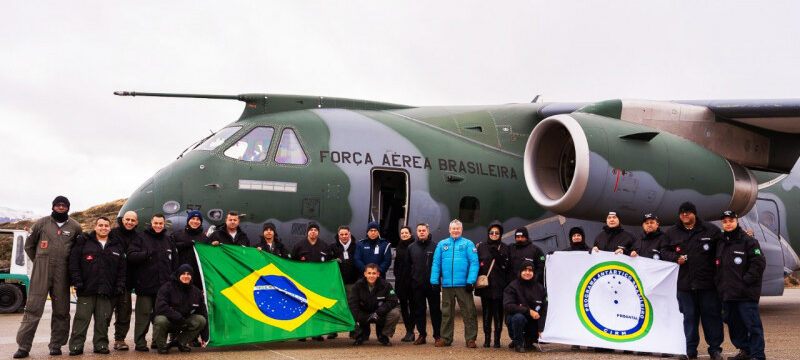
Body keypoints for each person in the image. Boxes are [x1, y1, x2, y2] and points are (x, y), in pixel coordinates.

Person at [14, 196, 82, 359]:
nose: (61, 207)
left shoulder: (75, 227)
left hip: (63, 272)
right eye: (58, 205)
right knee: (33, 308)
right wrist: (39, 261)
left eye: (64, 205)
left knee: (61, 310)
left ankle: (56, 345)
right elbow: (29, 246)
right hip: (42, 270)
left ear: (68, 208)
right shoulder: (41, 223)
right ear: (53, 207)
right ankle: (23, 347)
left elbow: (79, 250)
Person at [662, 202, 724, 360]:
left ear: (694, 214)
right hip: (685, 285)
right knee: (689, 318)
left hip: (707, 285)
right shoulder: (672, 233)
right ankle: (689, 350)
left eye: (688, 212)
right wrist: (675, 258)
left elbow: (724, 247)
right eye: (682, 213)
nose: (685, 215)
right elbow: (664, 250)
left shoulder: (711, 230)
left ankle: (715, 350)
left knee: (711, 317)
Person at [67, 216, 127, 355]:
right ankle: (76, 346)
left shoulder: (116, 246)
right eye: (100, 225)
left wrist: (119, 285)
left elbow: (122, 270)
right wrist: (77, 281)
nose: (103, 228)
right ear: (95, 227)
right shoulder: (84, 242)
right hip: (86, 289)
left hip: (106, 291)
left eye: (106, 225)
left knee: (103, 320)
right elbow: (73, 263)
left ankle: (101, 345)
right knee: (82, 319)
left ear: (110, 228)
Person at [716, 211, 766, 360]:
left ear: (737, 221)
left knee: (752, 325)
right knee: (734, 325)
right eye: (725, 221)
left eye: (731, 220)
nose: (728, 224)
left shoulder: (748, 241)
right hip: (728, 293)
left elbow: (759, 263)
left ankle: (758, 354)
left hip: (745, 294)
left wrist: (745, 281)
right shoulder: (720, 242)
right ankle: (745, 351)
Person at [127, 214, 178, 352]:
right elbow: (131, 255)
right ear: (151, 222)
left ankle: (157, 341)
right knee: (143, 316)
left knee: (160, 316)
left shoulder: (168, 239)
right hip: (145, 285)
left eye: (160, 223)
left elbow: (174, 262)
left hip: (163, 288)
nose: (158, 226)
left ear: (164, 224)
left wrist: (172, 281)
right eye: (156, 223)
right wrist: (145, 254)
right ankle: (140, 343)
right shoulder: (141, 238)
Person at [430, 219, 479, 348]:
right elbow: (436, 263)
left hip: (464, 285)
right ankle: (445, 338)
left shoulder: (468, 244)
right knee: (447, 313)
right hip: (447, 286)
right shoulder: (442, 245)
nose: (455, 231)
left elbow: (474, 263)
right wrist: (434, 281)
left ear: (461, 230)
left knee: (469, 312)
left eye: (458, 228)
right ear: (449, 230)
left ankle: (471, 339)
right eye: (453, 228)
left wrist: (471, 281)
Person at [152, 264, 209, 354]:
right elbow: (160, 307)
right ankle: (162, 346)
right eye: (183, 274)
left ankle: (180, 342)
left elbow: (203, 313)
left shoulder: (197, 292)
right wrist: (177, 317)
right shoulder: (167, 287)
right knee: (160, 320)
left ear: (192, 276)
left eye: (188, 274)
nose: (186, 276)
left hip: (184, 322)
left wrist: (205, 338)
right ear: (178, 274)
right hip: (169, 321)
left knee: (201, 320)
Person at [290, 222, 329, 341]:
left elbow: (328, 265)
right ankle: (302, 334)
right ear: (307, 232)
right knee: (302, 308)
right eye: (311, 230)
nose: (313, 232)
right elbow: (292, 263)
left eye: (315, 230)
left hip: (318, 284)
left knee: (317, 309)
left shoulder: (324, 246)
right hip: (303, 283)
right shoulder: (299, 245)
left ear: (318, 232)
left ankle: (317, 333)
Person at [108, 211, 140, 351]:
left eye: (133, 220)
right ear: (122, 220)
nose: (129, 222)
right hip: (111, 281)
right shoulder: (112, 234)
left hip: (127, 282)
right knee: (105, 314)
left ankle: (119, 340)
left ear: (136, 222)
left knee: (124, 314)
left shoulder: (138, 237)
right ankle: (100, 341)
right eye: (127, 219)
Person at [349, 263, 402, 346]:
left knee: (395, 313)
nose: (371, 276)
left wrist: (378, 312)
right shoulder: (357, 286)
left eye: (374, 273)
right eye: (369, 273)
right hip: (364, 314)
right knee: (348, 313)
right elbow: (353, 304)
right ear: (365, 274)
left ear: (378, 274)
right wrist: (355, 321)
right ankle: (359, 335)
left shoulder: (386, 285)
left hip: (379, 314)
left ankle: (383, 336)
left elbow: (393, 300)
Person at [475, 221, 509, 348]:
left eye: (497, 233)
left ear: (500, 234)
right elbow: (476, 265)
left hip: (500, 286)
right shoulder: (481, 247)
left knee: (498, 314)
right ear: (488, 233)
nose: (494, 235)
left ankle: (497, 340)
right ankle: (487, 339)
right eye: (492, 232)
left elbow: (507, 266)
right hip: (486, 287)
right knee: (486, 314)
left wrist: (497, 255)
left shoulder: (505, 247)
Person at [406, 223, 441, 345]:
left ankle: (437, 335)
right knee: (419, 310)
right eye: (419, 230)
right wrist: (412, 281)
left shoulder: (436, 246)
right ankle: (422, 335)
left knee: (435, 311)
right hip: (417, 285)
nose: (421, 232)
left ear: (428, 231)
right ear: (416, 232)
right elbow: (408, 266)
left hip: (433, 285)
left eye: (423, 230)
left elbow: (440, 265)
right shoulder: (411, 247)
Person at [503, 260, 547, 353]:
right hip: (517, 319)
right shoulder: (512, 286)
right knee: (518, 317)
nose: (527, 273)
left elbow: (544, 309)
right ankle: (518, 343)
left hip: (533, 320)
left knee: (542, 326)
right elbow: (508, 306)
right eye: (525, 270)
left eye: (530, 271)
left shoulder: (540, 288)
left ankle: (529, 341)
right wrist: (528, 311)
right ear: (520, 271)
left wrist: (541, 328)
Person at [327, 225, 359, 339]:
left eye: (346, 234)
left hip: (352, 282)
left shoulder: (356, 246)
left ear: (349, 234)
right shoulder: (332, 247)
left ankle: (352, 329)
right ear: (338, 235)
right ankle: (334, 330)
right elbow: (327, 262)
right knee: (336, 306)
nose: (344, 236)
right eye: (341, 234)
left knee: (352, 307)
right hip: (337, 283)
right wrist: (332, 261)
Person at [171, 211, 207, 289]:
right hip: (179, 276)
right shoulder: (177, 235)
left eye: (198, 219)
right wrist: (185, 244)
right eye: (193, 218)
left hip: (197, 278)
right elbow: (171, 248)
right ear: (188, 220)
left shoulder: (204, 238)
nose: (195, 221)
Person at [393, 226, 416, 342]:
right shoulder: (399, 246)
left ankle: (411, 330)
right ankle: (408, 330)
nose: (404, 235)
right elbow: (397, 264)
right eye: (402, 233)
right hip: (401, 282)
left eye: (406, 233)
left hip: (412, 282)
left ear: (410, 234)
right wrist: (397, 275)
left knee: (413, 307)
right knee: (403, 307)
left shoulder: (415, 246)